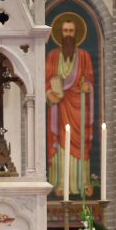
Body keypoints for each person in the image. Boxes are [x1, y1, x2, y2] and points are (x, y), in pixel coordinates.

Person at [46, 15, 95, 197]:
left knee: (81, 143)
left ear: (76, 33)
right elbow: (44, 81)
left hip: (79, 108)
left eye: (71, 31)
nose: (68, 35)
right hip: (59, 109)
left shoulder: (84, 56)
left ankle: (83, 183)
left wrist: (87, 86)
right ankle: (59, 183)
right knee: (60, 143)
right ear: (60, 33)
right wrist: (49, 94)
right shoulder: (52, 56)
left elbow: (90, 79)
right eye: (65, 31)